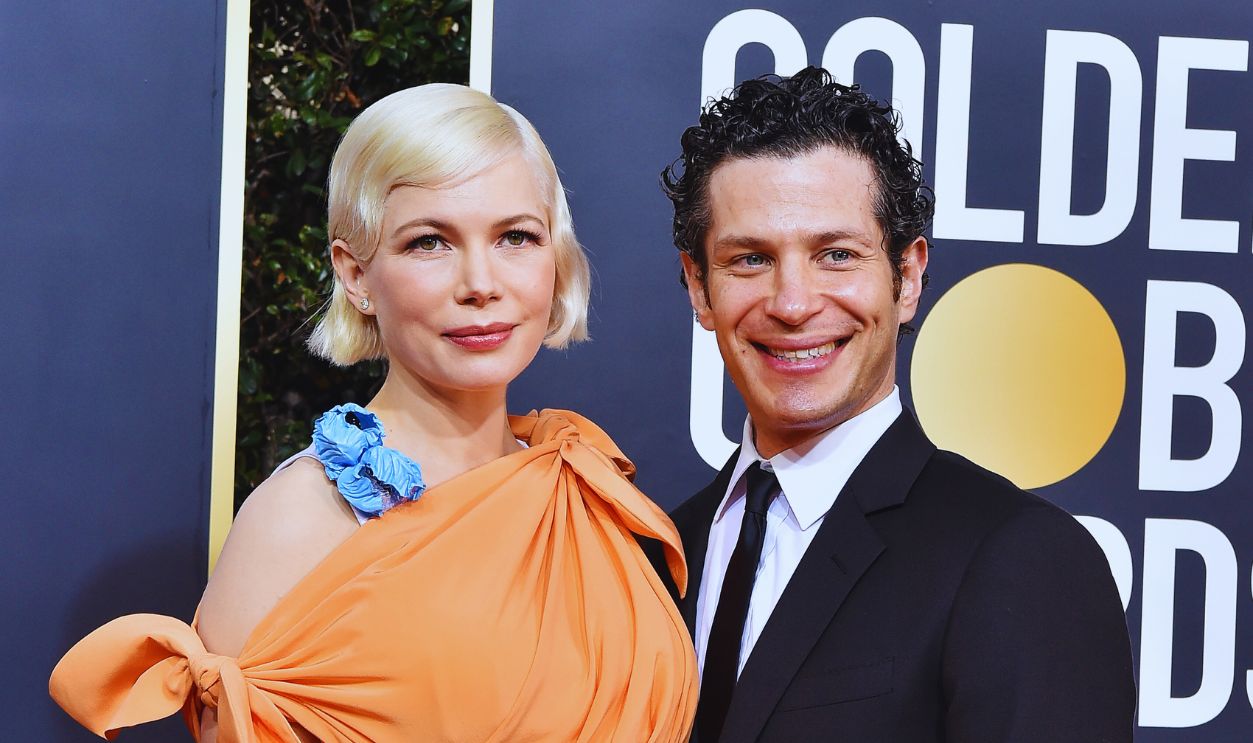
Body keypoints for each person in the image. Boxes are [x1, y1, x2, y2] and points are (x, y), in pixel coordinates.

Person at [51, 83, 697, 742]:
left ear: (553, 260)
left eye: (515, 237)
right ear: (355, 274)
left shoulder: (582, 482)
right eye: (429, 242)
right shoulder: (302, 517)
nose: (481, 282)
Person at [657, 67, 1136, 742]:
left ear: (906, 277)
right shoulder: (654, 556)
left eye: (836, 254)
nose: (792, 303)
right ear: (698, 288)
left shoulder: (1019, 558)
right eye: (749, 260)